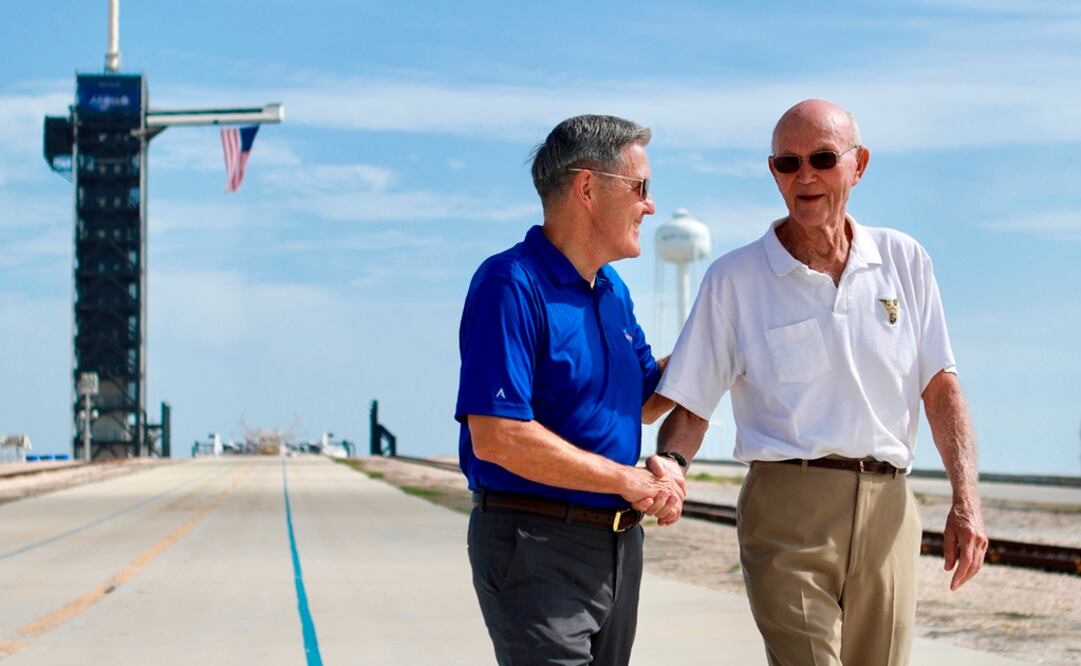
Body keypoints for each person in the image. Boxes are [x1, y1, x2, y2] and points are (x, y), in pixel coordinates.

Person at [651, 99, 989, 665]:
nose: (804, 175)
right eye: (788, 162)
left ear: (859, 165)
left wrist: (967, 501)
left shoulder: (905, 260)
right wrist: (673, 467)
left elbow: (941, 390)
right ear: (773, 172)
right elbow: (692, 400)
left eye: (823, 158)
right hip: (787, 512)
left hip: (889, 509)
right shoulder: (733, 278)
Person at [455, 114, 680, 666]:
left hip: (618, 548)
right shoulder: (510, 284)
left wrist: (722, 344)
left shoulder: (612, 290)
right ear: (587, 188)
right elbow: (498, 436)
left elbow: (645, 400)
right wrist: (626, 479)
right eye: (641, 188)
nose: (650, 205)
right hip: (536, 544)